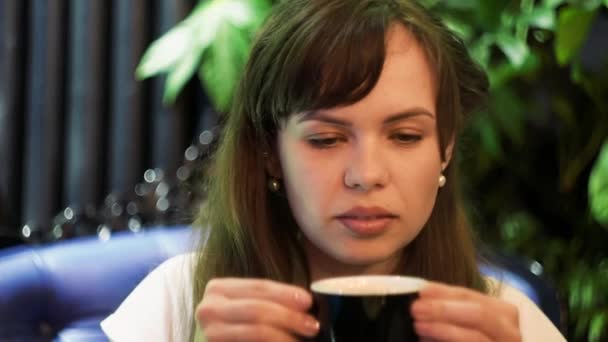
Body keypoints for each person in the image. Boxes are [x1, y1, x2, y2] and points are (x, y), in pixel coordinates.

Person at [101, 0, 566, 341]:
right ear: (269, 152)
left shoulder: (505, 319)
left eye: (405, 136)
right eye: (327, 139)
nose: (366, 175)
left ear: (445, 150)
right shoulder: (181, 300)